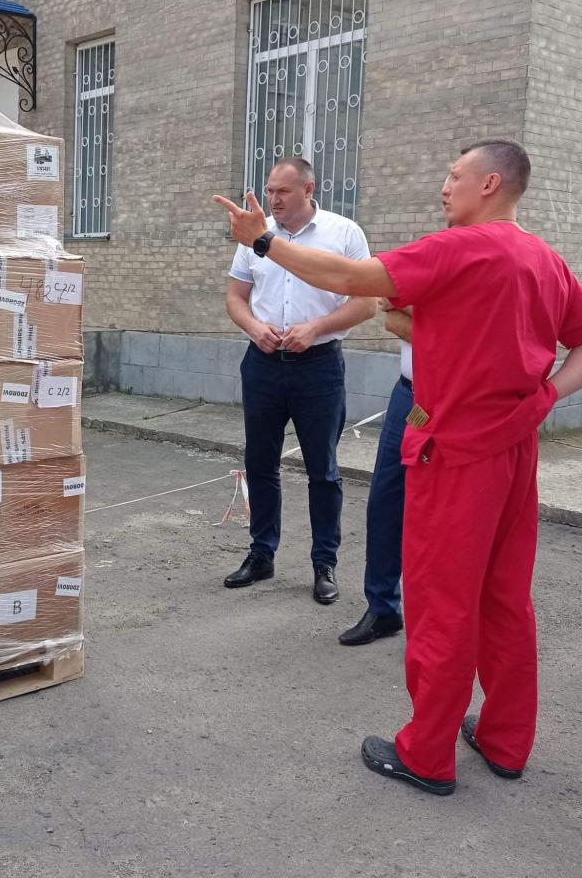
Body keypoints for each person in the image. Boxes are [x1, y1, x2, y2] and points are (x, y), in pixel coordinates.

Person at [215, 139, 582, 796]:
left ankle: (428, 754)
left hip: (457, 449)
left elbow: (349, 279)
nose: (444, 187)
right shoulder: (545, 261)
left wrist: (263, 241)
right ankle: (506, 740)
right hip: (514, 446)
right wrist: (549, 394)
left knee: (443, 602)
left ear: (489, 184)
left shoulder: (459, 248)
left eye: (454, 175)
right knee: (505, 597)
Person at [223, 158, 375, 604]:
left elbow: (367, 303)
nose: (273, 200)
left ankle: (324, 563)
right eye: (270, 190)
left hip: (319, 367)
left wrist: (317, 328)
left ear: (309, 189)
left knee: (322, 470)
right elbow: (235, 297)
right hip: (263, 364)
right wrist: (254, 328)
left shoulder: (344, 233)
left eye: (283, 191)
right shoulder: (256, 235)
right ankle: (261, 554)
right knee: (260, 463)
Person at [338, 300, 412, 645]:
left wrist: (414, 312)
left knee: (445, 518)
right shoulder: (430, 263)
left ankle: (445, 624)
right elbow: (390, 312)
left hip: (460, 399)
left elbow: (470, 325)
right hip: (409, 394)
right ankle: (383, 607)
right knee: (385, 502)